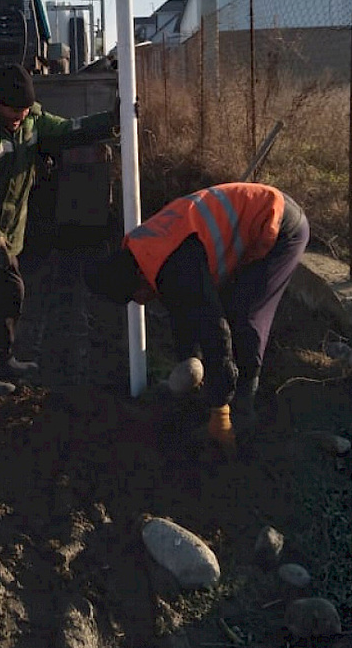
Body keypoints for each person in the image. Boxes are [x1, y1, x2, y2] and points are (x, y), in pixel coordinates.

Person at [0, 63, 118, 397]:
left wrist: (111, 121)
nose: (19, 117)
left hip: (3, 238)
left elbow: (68, 130)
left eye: (24, 111)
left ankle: (2, 361)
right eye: (13, 111)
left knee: (11, 294)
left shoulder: (30, 120)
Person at [84, 182, 309, 448]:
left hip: (278, 223)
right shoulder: (143, 251)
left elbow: (215, 329)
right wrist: (188, 366)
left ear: (136, 280)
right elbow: (182, 311)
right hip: (248, 215)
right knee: (215, 306)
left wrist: (219, 410)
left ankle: (242, 410)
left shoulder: (175, 267)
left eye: (136, 296)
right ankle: (213, 392)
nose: (141, 301)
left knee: (244, 315)